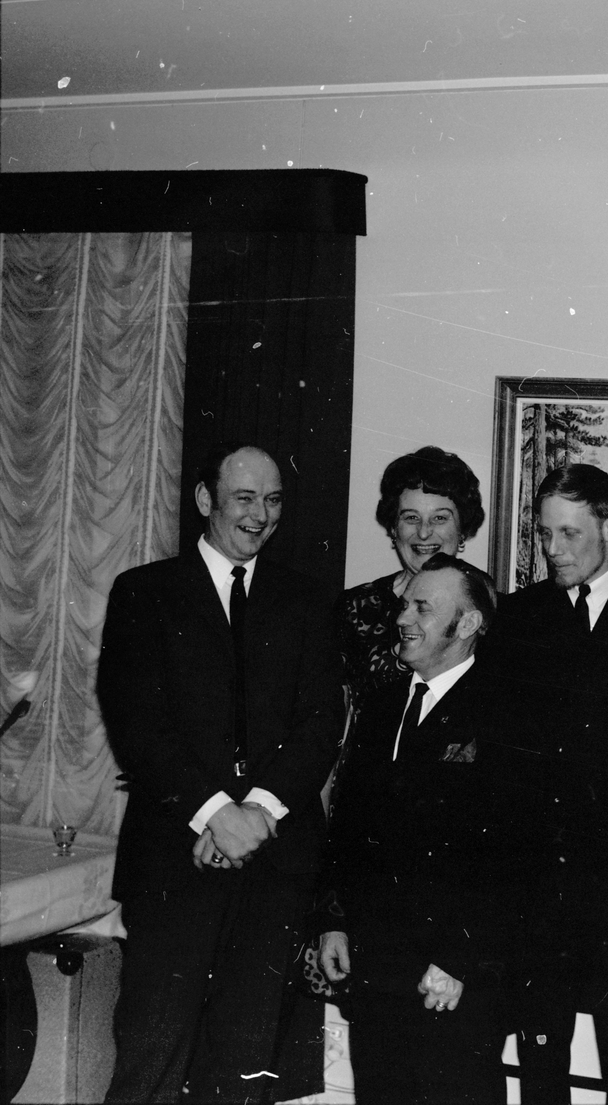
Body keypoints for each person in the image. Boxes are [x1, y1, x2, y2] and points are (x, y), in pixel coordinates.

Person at [97, 442, 343, 1104]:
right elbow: (137, 727)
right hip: (172, 863)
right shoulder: (144, 593)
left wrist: (256, 813)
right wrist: (214, 813)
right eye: (245, 498)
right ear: (206, 499)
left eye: (273, 500)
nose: (260, 515)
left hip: (274, 866)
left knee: (244, 1063)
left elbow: (321, 724)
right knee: (151, 1053)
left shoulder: (308, 601)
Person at [317, 554, 539, 1105]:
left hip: (454, 972)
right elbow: (349, 822)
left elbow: (516, 853)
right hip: (376, 964)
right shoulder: (383, 702)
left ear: (468, 625)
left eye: (422, 608)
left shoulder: (509, 713)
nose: (402, 618)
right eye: (404, 605)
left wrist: (459, 958)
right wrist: (334, 922)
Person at [490, 464, 608, 1105]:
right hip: (537, 882)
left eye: (569, 533)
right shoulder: (517, 616)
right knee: (541, 1066)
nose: (552, 549)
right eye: (544, 534)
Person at [339, 445, 485, 698]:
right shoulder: (354, 608)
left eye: (440, 518)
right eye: (411, 518)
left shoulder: (491, 611)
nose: (424, 532)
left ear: (462, 529)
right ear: (393, 529)